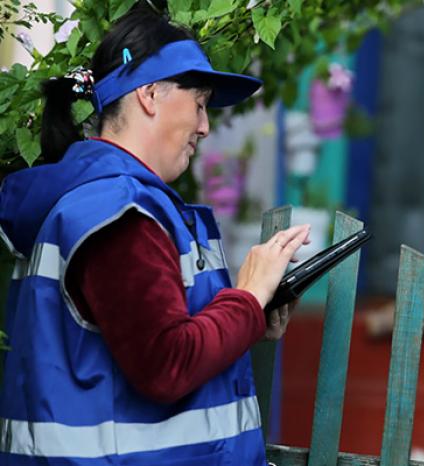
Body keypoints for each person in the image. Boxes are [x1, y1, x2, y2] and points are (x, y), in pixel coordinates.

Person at [0, 4, 309, 465]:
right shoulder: (116, 212)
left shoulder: (109, 203)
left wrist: (249, 319)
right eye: (200, 105)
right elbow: (166, 363)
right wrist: (245, 298)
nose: (205, 128)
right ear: (148, 94)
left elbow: (133, 339)